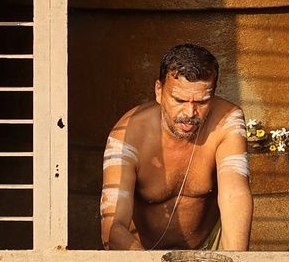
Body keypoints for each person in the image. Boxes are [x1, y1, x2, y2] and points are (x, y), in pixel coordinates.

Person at [99, 43, 253, 250]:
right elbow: (113, 226)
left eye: (202, 101)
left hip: (208, 250)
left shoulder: (227, 121)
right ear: (159, 91)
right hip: (142, 253)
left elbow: (235, 196)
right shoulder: (128, 134)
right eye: (179, 100)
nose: (190, 113)